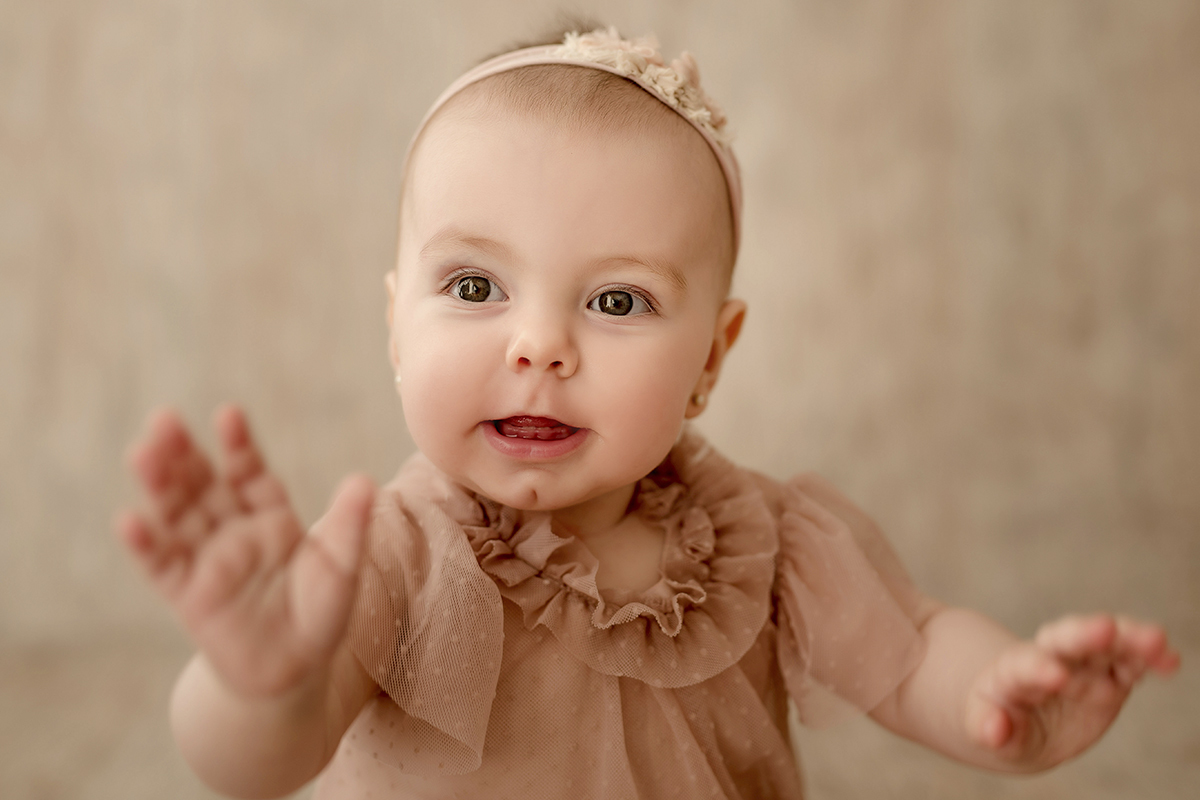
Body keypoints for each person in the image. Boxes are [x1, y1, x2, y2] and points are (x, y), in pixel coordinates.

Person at [115, 24, 1179, 800]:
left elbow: (911, 651)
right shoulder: (394, 556)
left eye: (616, 300)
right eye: (476, 287)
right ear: (398, 324)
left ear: (711, 357)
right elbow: (259, 760)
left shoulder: (765, 542)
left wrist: (999, 697)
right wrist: (256, 683)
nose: (538, 345)